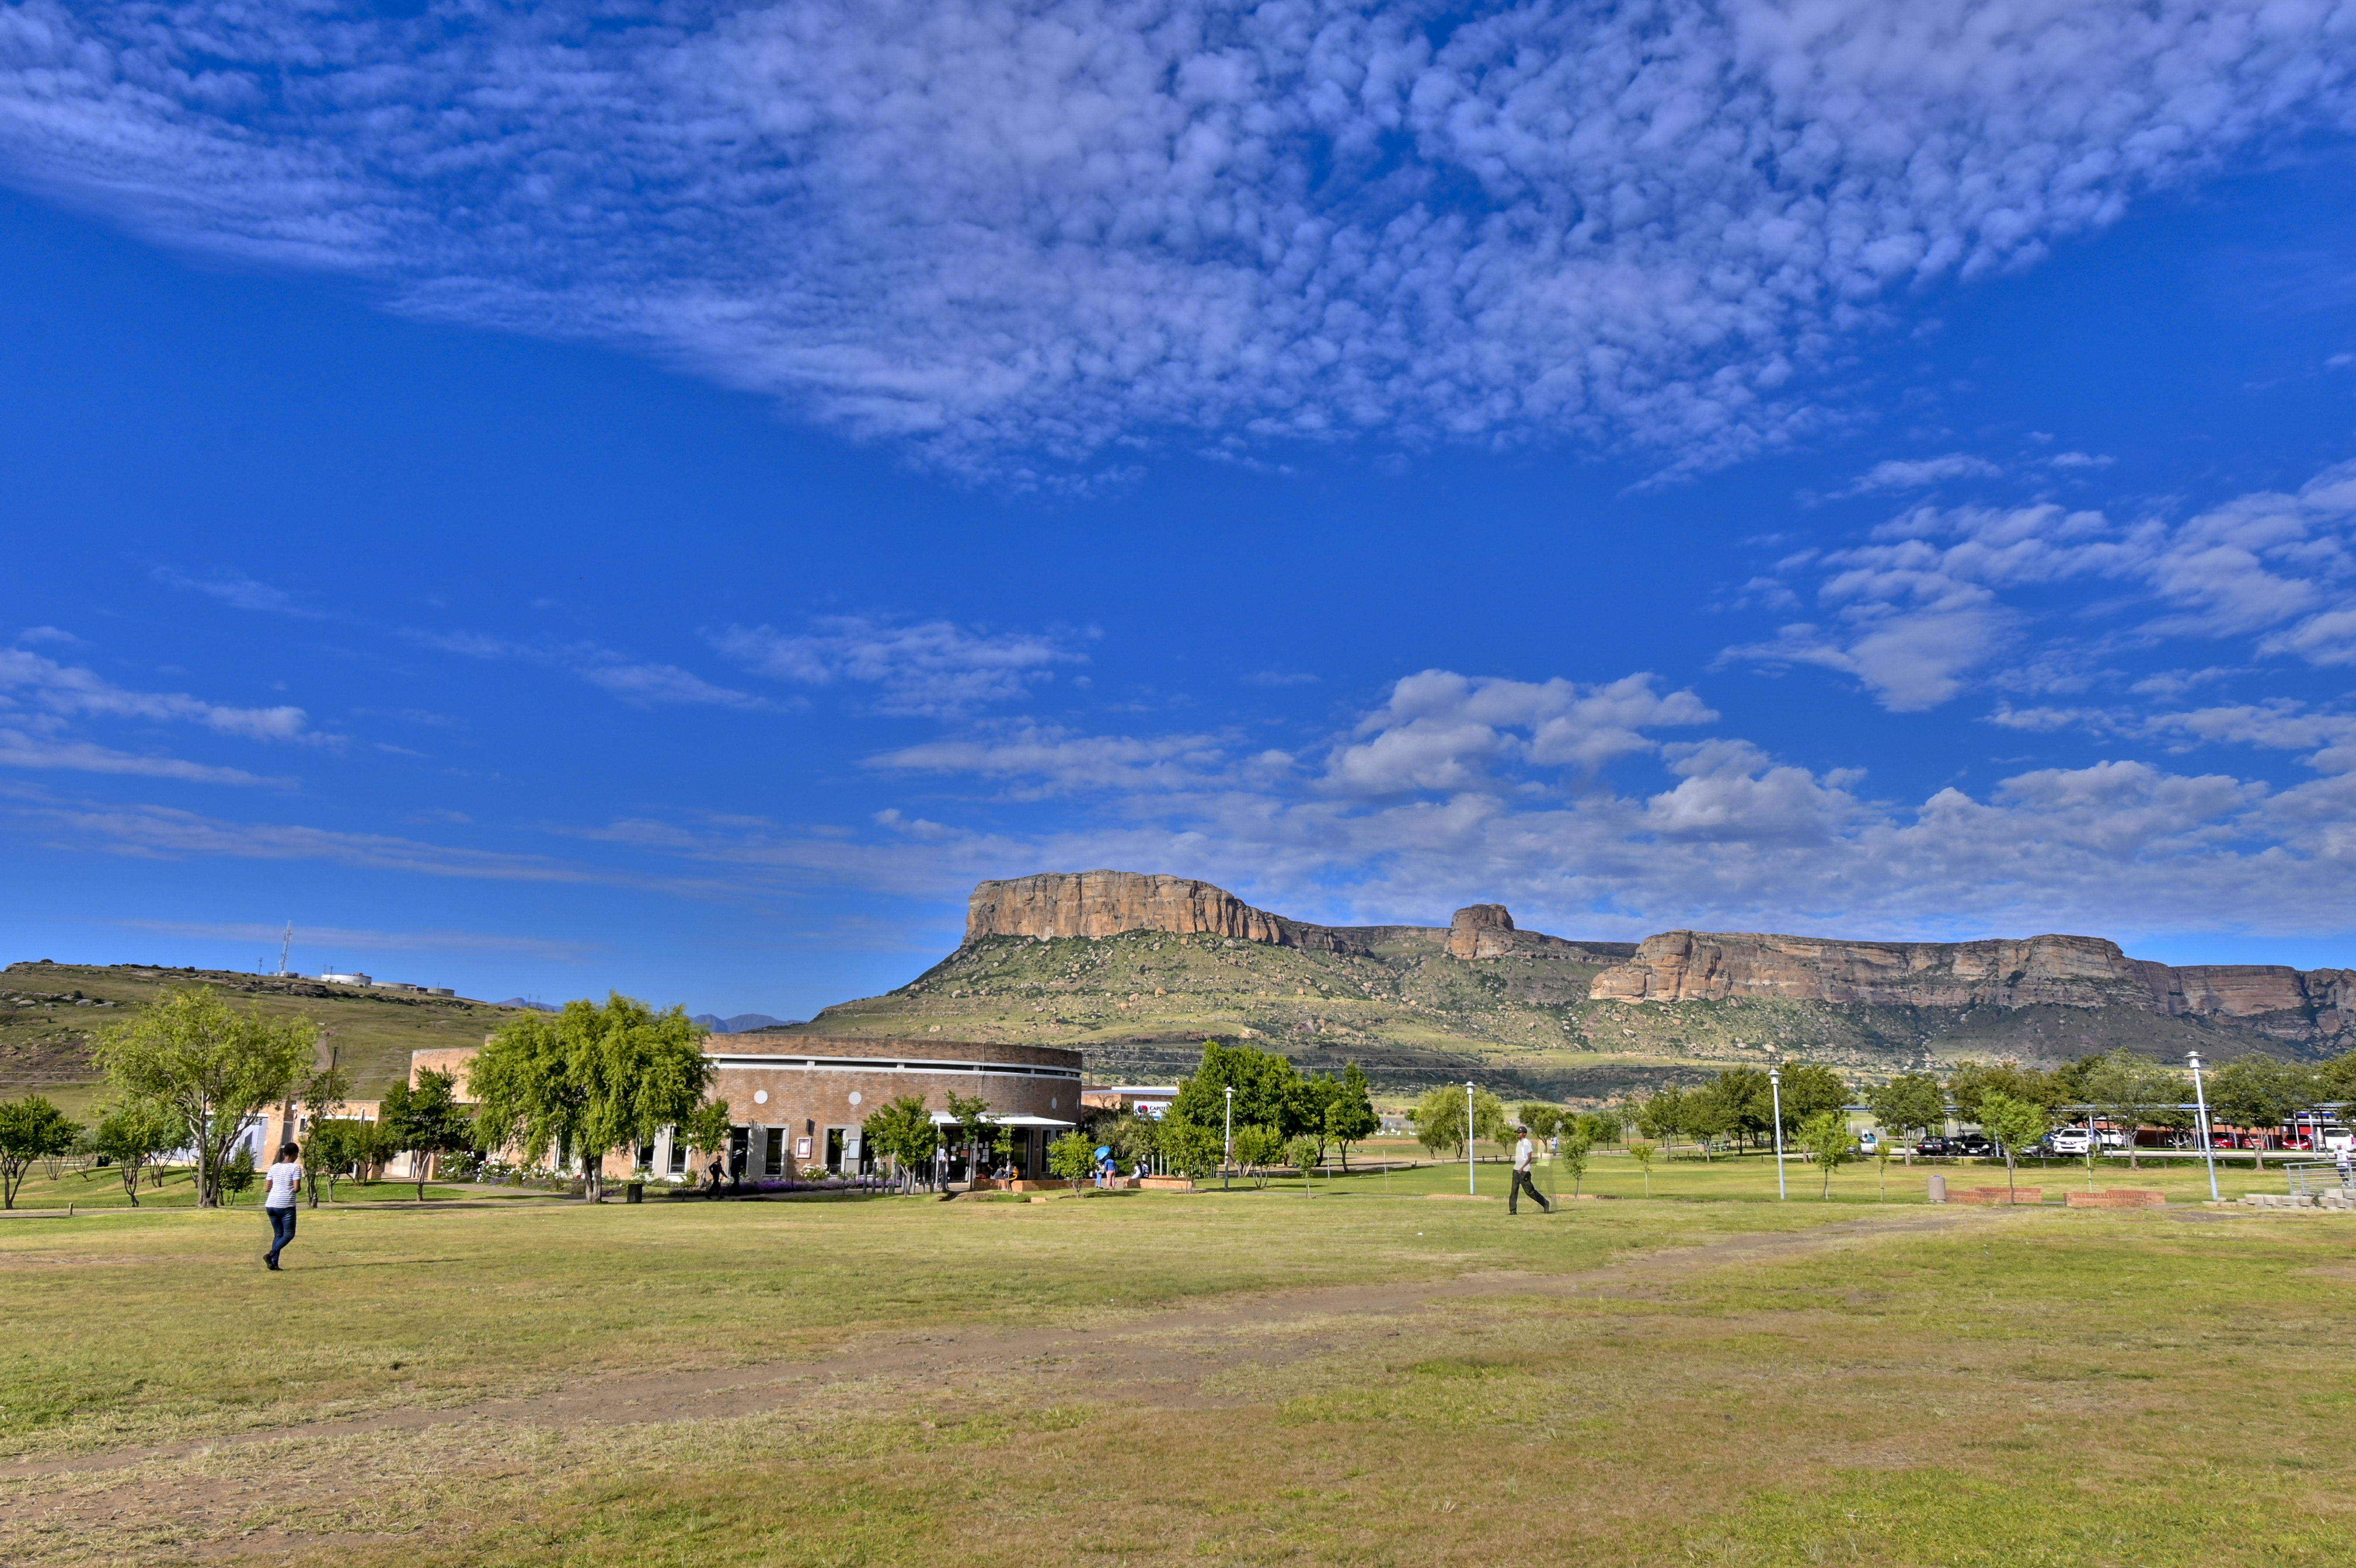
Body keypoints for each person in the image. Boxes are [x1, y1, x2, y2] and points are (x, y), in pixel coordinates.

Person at [262, 1141, 303, 1270]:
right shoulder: (295, 1168)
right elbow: (296, 1188)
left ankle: (274, 1264)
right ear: (295, 1154)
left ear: (284, 1153)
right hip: (286, 1205)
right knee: (289, 1234)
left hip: (271, 1205)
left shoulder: (274, 1167)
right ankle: (271, 1255)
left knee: (279, 1235)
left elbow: (267, 1188)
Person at [1509, 1124, 1551, 1215]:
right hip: (1516, 1170)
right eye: (1518, 1133)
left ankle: (1545, 1203)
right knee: (1514, 1191)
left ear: (1525, 1134)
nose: (1519, 1134)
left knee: (1530, 1192)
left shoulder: (1527, 1143)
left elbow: (1529, 1158)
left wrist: (1522, 1168)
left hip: (1524, 1171)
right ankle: (1513, 1211)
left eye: (1520, 1133)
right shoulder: (1519, 1143)